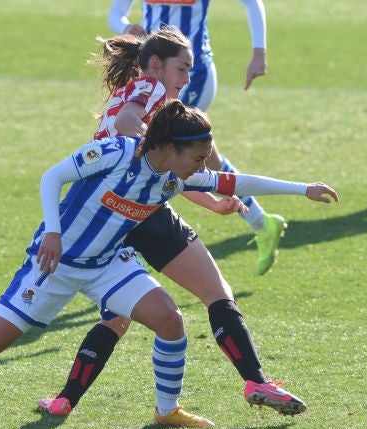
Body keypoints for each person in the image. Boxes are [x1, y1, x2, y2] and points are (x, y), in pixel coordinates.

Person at [0, 100, 339, 429]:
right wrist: (52, 231)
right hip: (55, 265)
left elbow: (234, 180)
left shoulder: (173, 176)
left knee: (170, 321)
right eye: (196, 156)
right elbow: (52, 176)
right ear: (170, 147)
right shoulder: (115, 153)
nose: (201, 165)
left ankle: (166, 410)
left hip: (108, 264)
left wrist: (303, 189)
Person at [37, 31, 338, 421]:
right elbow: (138, 133)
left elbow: (172, 176)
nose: (187, 77)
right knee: (214, 293)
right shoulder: (148, 87)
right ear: (157, 64)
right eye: (183, 68)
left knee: (118, 317)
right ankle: (253, 381)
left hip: (118, 212)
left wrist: (210, 201)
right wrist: (151, 149)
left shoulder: (154, 100)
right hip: (130, 212)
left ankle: (66, 400)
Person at [109, 0, 286, 275]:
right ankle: (262, 222)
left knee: (172, 157)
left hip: (193, 75)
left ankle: (126, 249)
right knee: (202, 158)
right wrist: (125, 27)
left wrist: (259, 52)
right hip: (157, 75)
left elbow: (251, 3)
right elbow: (116, 12)